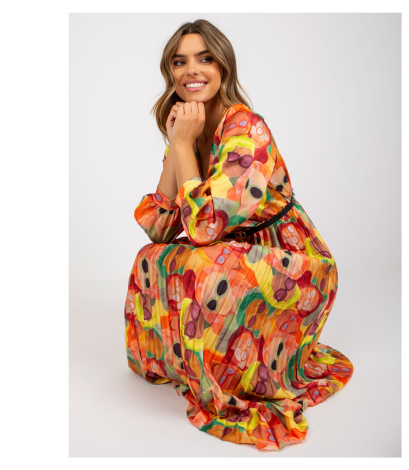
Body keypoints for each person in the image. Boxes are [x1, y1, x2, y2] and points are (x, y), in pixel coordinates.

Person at [124, 19, 354, 452]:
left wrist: (182, 146)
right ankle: (178, 362)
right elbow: (160, 227)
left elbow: (204, 229)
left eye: (204, 58)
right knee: (150, 257)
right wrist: (178, 144)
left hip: (295, 262)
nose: (192, 70)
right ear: (170, 72)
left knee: (204, 261)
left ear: (224, 67)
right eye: (179, 62)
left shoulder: (247, 128)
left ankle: (230, 370)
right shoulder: (189, 128)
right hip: (237, 250)